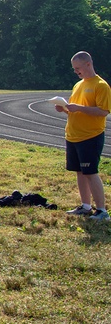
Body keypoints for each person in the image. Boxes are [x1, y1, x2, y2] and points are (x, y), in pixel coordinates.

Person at [54, 51, 110, 220]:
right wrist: (63, 109)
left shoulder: (101, 85)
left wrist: (78, 108)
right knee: (79, 172)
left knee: (90, 172)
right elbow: (75, 111)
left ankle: (102, 211)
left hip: (90, 136)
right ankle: (85, 206)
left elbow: (103, 111)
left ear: (88, 64)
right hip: (73, 135)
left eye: (78, 68)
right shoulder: (78, 85)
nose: (76, 71)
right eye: (74, 69)